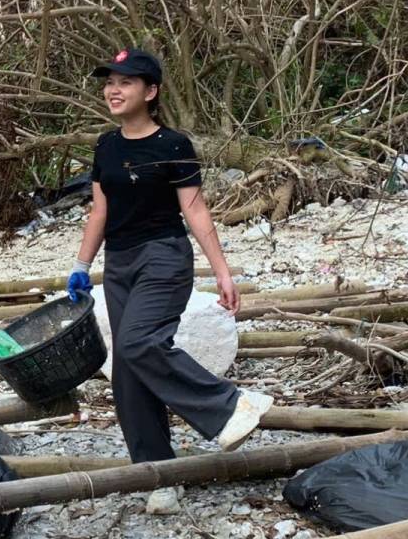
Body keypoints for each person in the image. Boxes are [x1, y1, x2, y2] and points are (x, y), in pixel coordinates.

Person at [68, 49, 272, 508]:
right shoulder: (106, 146)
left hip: (164, 257)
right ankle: (158, 476)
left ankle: (231, 405)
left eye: (126, 82)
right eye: (109, 82)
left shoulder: (174, 145)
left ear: (151, 91)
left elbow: (195, 210)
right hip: (119, 263)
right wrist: (81, 266)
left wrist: (222, 272)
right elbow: (100, 210)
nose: (113, 90)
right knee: (127, 371)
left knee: (141, 343)